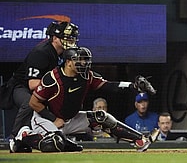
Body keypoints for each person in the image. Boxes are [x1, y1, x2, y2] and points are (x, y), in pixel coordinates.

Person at [13, 47, 159, 153]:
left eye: (85, 60)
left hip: (69, 118)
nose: (84, 63)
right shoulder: (52, 78)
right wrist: (53, 118)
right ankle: (24, 135)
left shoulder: (87, 76)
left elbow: (109, 85)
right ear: (68, 62)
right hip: (46, 120)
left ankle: (140, 140)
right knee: (54, 144)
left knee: (101, 117)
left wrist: (133, 86)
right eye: (79, 60)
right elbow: (33, 102)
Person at [7, 21, 79, 152]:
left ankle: (58, 136)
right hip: (21, 86)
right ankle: (14, 139)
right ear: (55, 38)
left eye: (72, 37)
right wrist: (57, 88)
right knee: (30, 103)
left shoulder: (64, 53)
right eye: (67, 37)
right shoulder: (41, 52)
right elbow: (32, 84)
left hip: (45, 87)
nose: (71, 40)